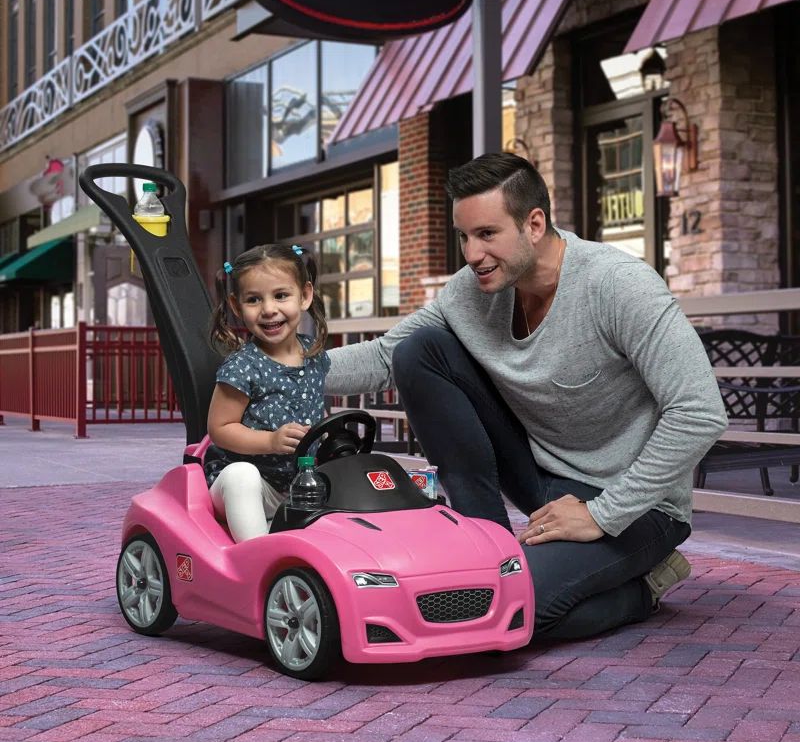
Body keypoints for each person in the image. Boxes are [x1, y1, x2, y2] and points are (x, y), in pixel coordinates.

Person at [325, 152, 728, 641]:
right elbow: (384, 357)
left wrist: (603, 514)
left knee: (508, 613)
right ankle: (485, 546)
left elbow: (700, 412)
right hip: (542, 477)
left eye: (487, 234)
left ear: (534, 224)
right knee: (418, 351)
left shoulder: (619, 286)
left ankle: (644, 587)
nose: (472, 254)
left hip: (638, 505)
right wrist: (275, 370)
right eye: (464, 236)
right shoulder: (472, 291)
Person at [205, 243, 329, 542]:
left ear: (305, 296)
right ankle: (256, 553)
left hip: (300, 484)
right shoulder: (242, 366)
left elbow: (314, 407)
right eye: (254, 300)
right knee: (241, 476)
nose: (269, 309)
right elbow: (219, 429)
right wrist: (270, 441)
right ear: (237, 306)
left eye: (281, 295)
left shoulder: (314, 354)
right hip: (250, 486)